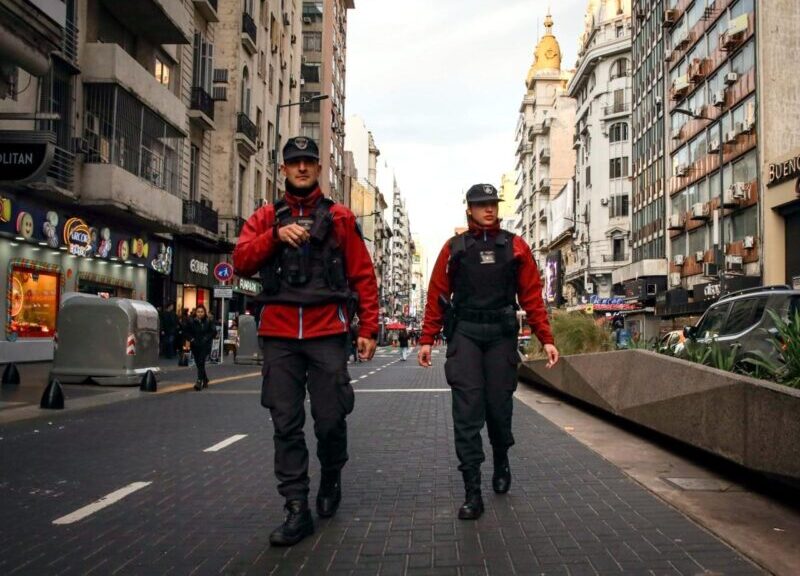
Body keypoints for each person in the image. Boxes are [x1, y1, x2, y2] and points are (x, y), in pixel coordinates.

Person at [233, 136, 379, 547]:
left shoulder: (341, 218)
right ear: (283, 169)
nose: (301, 168)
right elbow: (240, 260)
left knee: (331, 418)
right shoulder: (265, 217)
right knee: (285, 422)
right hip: (279, 333)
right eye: (293, 162)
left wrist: (368, 328)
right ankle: (297, 507)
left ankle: (331, 474)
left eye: (308, 162)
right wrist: (275, 237)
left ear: (318, 168)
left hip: (327, 332)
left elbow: (363, 276)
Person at [418, 183, 560, 520]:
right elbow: (436, 293)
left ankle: (501, 458)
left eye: (493, 204)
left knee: (499, 408)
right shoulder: (454, 248)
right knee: (466, 412)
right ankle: (471, 491)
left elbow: (531, 296)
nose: (489, 209)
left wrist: (546, 337)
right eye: (481, 204)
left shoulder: (516, 247)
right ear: (469, 209)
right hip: (465, 333)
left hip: (500, 335)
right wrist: (426, 338)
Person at [186, 304, 216, 390]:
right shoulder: (191, 321)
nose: (200, 313)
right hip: (195, 345)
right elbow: (186, 332)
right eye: (198, 312)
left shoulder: (208, 321)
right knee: (199, 363)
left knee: (201, 361)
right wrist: (191, 339)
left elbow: (213, 332)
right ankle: (205, 379)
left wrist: (206, 338)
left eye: (201, 312)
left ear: (204, 312)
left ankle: (199, 381)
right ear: (196, 312)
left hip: (205, 345)